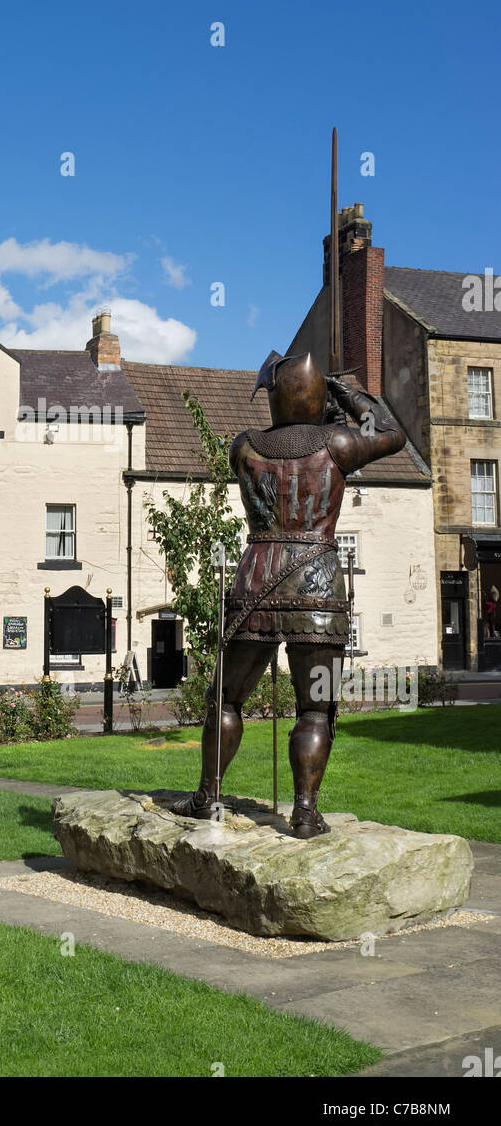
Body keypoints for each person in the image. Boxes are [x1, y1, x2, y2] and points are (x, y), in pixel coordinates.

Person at [169, 350, 406, 839]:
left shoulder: (244, 447)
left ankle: (208, 797)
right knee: (314, 707)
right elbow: (391, 433)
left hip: (256, 579)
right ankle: (303, 811)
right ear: (319, 395)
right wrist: (347, 393)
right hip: (316, 584)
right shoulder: (339, 444)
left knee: (226, 699)